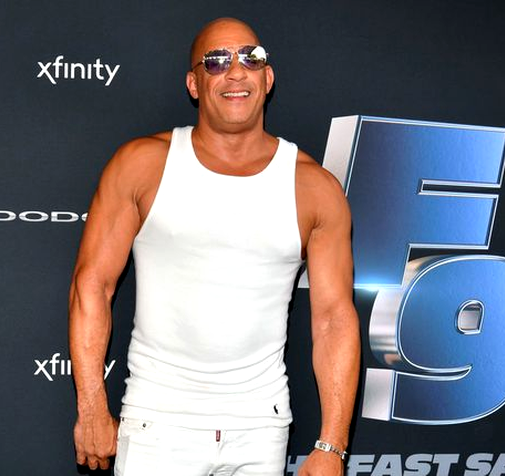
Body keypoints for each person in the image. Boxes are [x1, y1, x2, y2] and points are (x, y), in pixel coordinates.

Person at [68, 17, 360, 476]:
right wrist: (90, 408)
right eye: (217, 61)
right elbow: (92, 286)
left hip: (261, 430)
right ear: (194, 83)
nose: (236, 71)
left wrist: (332, 446)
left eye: (251, 58)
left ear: (268, 77)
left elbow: (334, 320)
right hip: (156, 425)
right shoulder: (142, 165)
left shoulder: (314, 188)